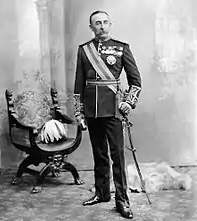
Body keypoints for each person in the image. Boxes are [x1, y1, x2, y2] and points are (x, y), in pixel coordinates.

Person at [73, 10, 141, 219]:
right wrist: (79, 111)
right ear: (91, 27)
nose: (101, 26)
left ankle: (122, 200)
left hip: (113, 109)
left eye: (105, 23)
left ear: (110, 24)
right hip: (92, 110)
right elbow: (78, 84)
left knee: (117, 156)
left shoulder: (121, 48)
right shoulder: (84, 51)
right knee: (99, 154)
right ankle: (102, 193)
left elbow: (135, 81)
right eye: (97, 23)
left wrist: (129, 102)